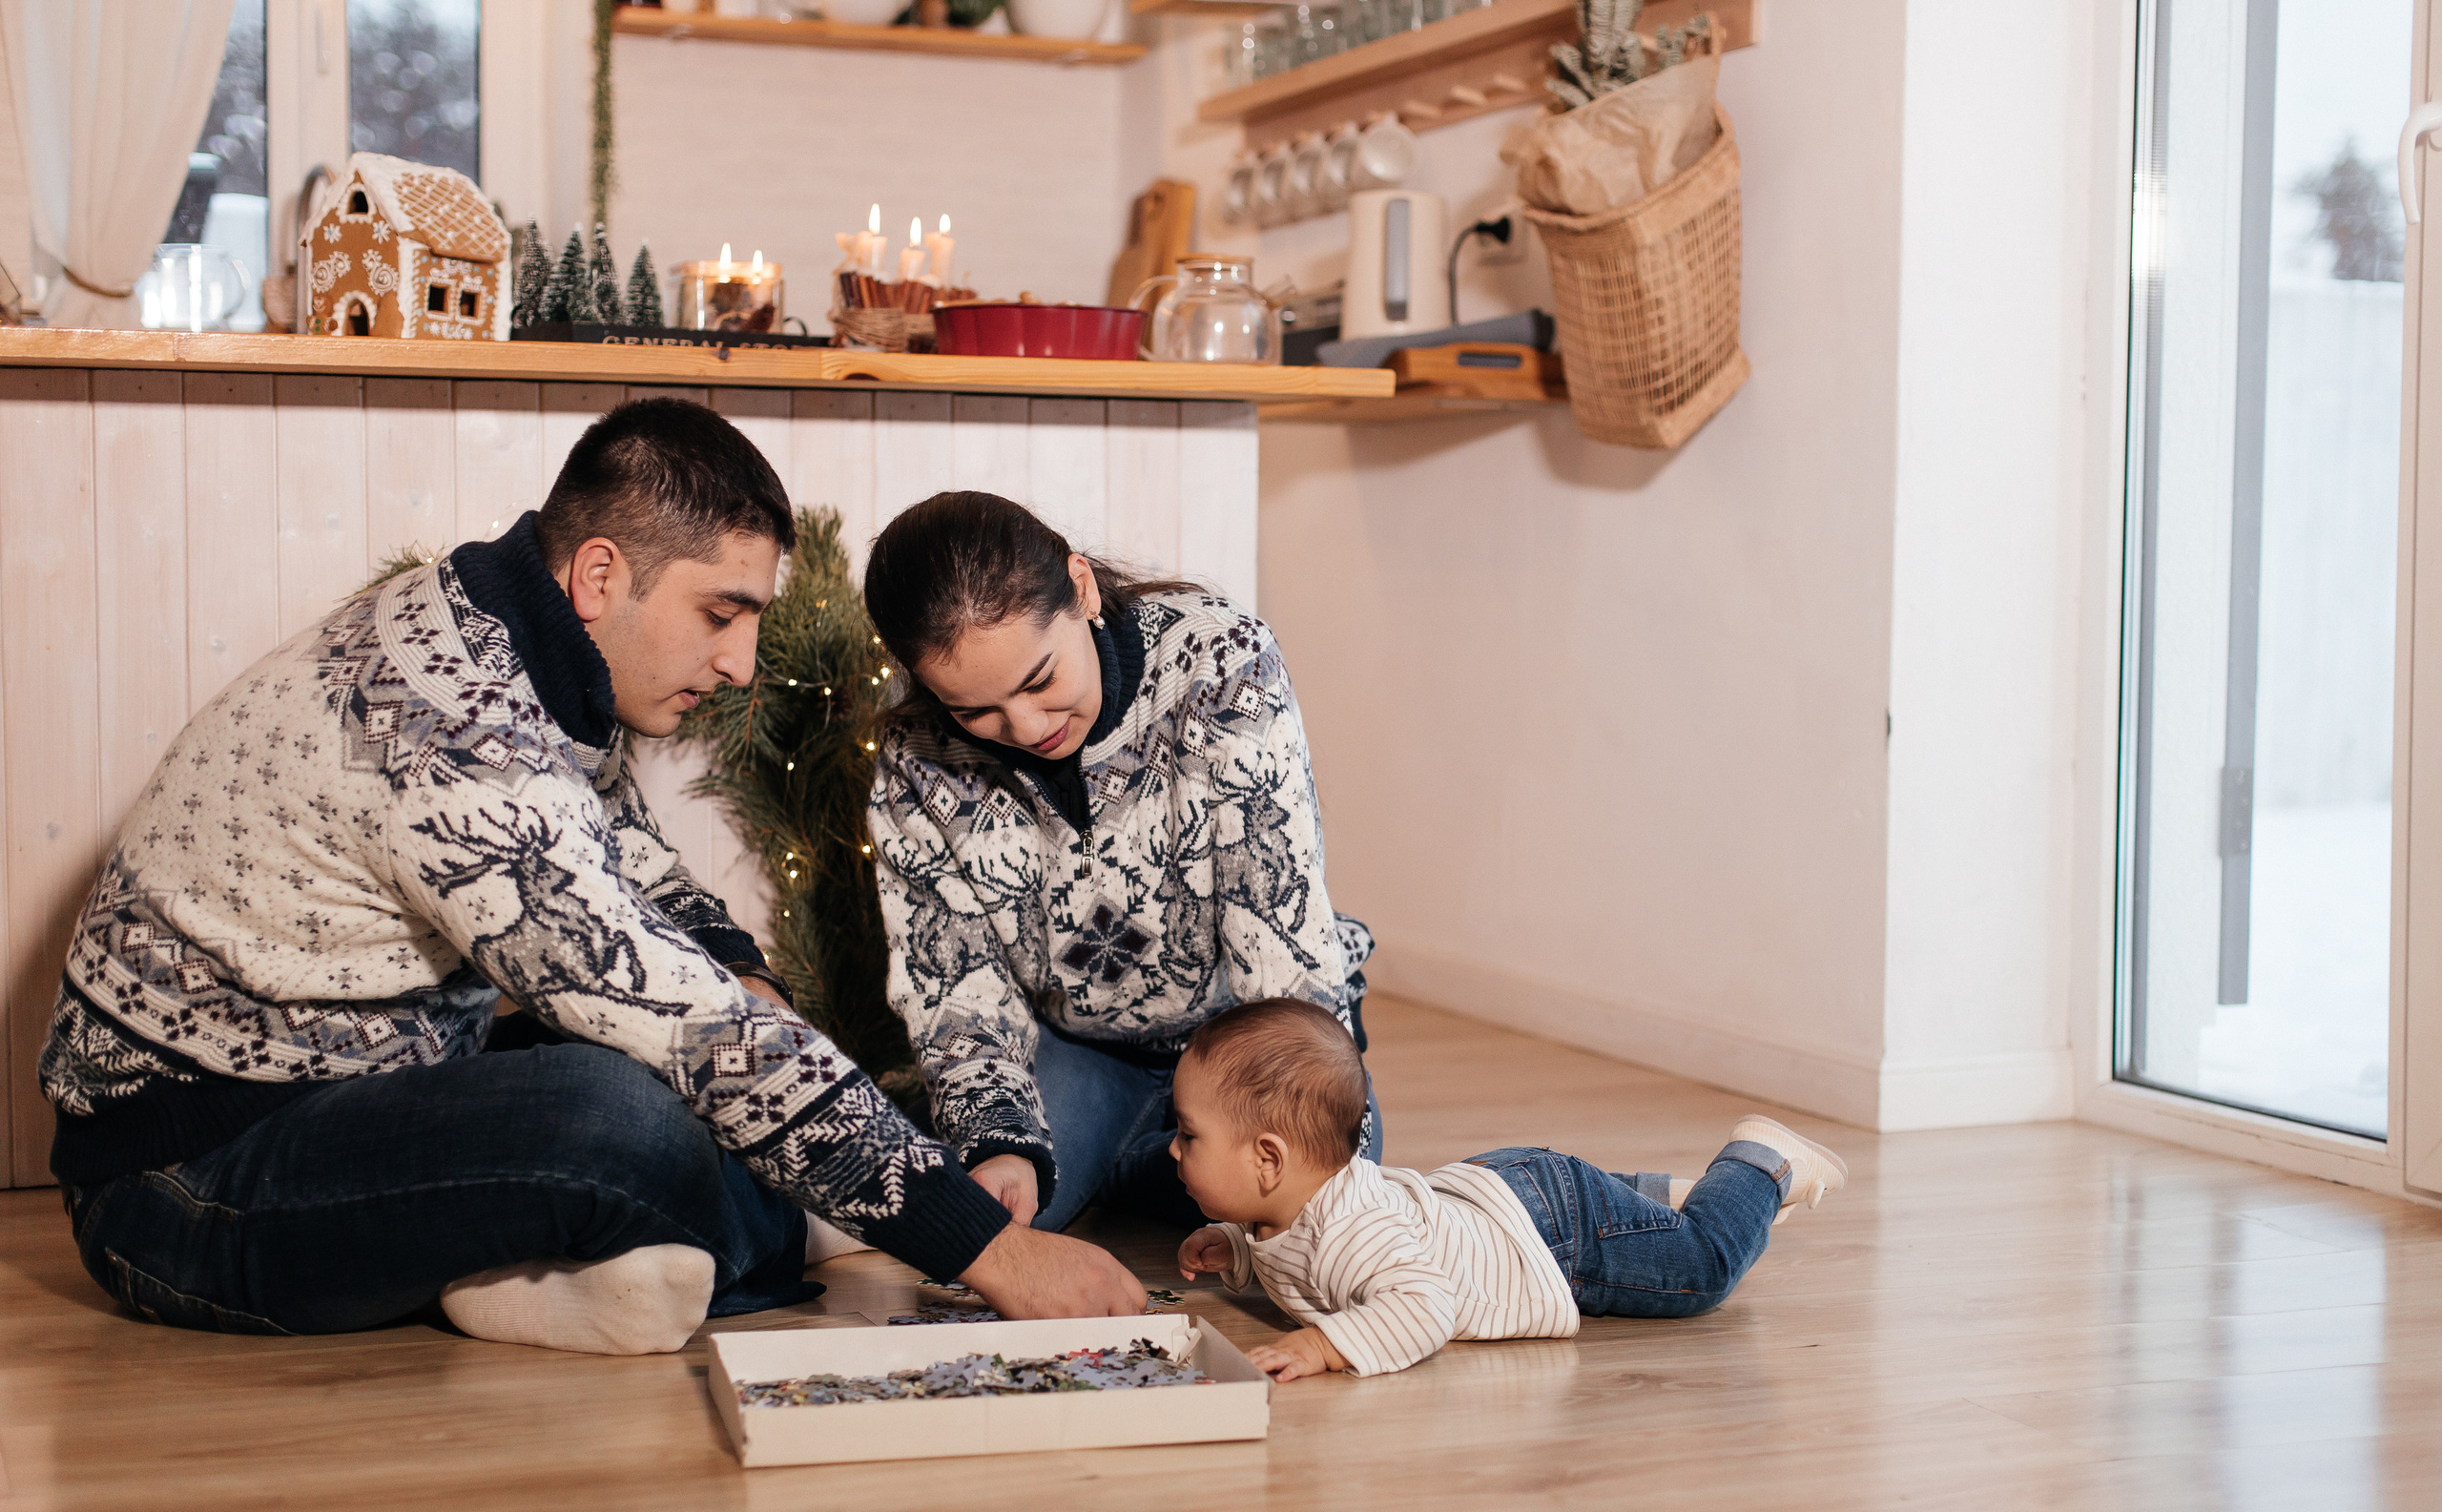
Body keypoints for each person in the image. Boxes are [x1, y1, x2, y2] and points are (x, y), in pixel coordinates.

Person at [40, 400, 1143, 1354]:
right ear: (601, 575)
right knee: (627, 1117)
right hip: (185, 1182)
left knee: (702, 1069)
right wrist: (991, 1252)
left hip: (359, 1078)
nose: (740, 665)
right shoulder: (454, 739)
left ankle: (571, 1266)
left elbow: (635, 870)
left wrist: (745, 984)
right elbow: (696, 1036)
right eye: (722, 615)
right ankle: (665, 1247)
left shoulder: (503, 632)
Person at [863, 492, 1379, 1239]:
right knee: (993, 1216)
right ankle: (1151, 1160)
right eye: (975, 711)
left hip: (1242, 1038)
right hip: (1079, 1049)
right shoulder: (916, 758)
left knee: (1321, 1215)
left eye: (1040, 680)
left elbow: (1281, 931)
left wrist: (1300, 1127)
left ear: (1081, 588)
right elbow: (954, 983)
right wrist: (1000, 1141)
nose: (1027, 729)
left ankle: (1152, 1160)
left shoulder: (1222, 665)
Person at [1169, 998, 1847, 1380]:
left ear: (1267, 1160)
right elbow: (1293, 1246)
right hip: (1503, 1193)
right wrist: (1236, 1246)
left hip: (1551, 1240)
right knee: (1623, 1215)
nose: (1171, 1147)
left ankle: (1759, 1162)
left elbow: (1426, 1306)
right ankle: (1657, 1198)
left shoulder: (1359, 1233)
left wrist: (1321, 1345)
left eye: (1188, 1134)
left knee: (1701, 1267)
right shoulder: (1289, 1204)